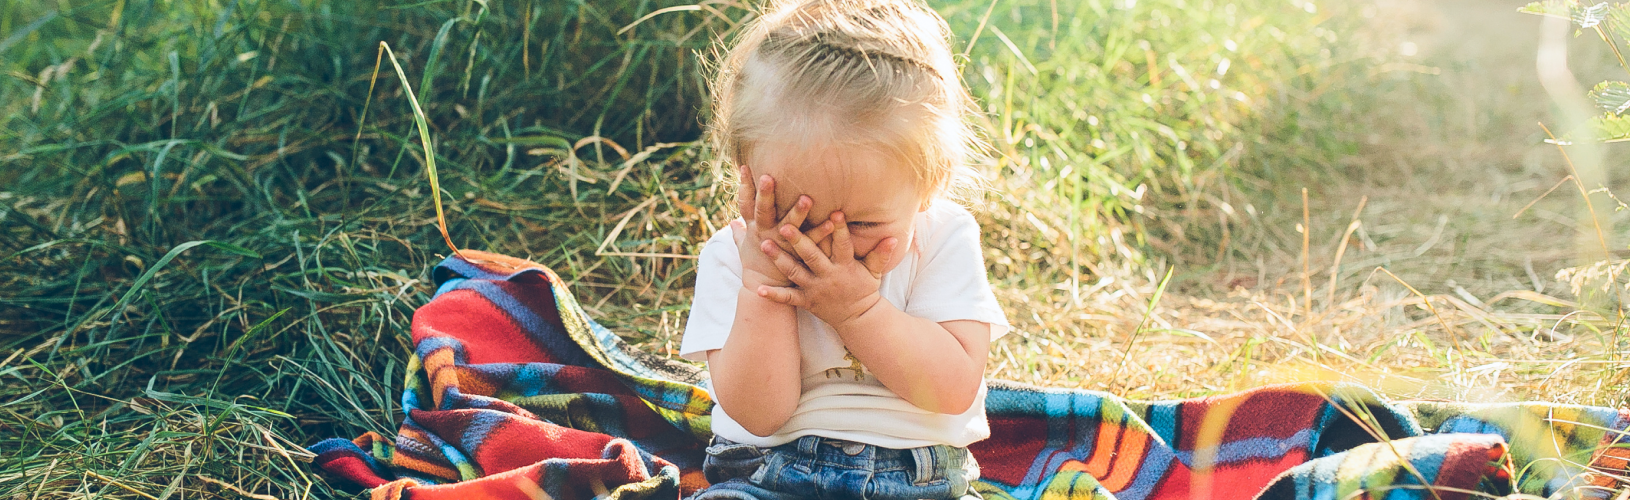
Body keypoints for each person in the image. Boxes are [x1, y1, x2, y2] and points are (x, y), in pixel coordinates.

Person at [678, 0, 1009, 497]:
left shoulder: (942, 239)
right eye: (798, 220)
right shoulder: (734, 256)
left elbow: (953, 388)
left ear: (930, 183)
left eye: (862, 223)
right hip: (766, 473)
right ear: (745, 175)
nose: (832, 244)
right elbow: (758, 415)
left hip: (921, 478)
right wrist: (763, 283)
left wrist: (858, 312)